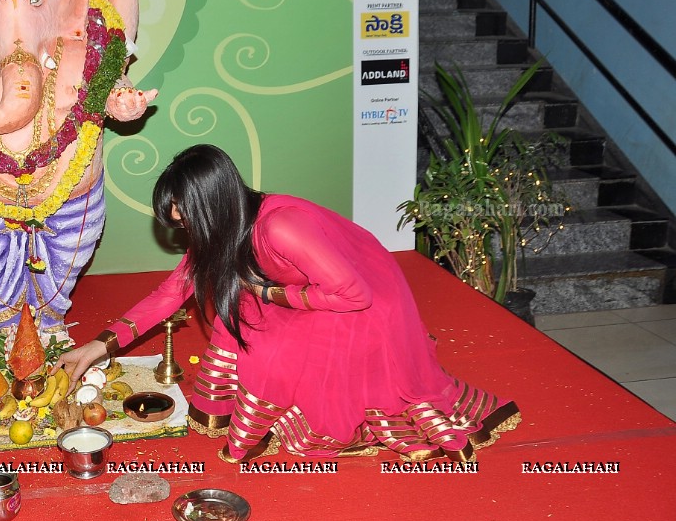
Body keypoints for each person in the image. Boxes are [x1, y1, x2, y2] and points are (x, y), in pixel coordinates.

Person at [57, 144, 521, 463]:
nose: (182, 231)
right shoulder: (223, 227)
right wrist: (100, 345)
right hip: (313, 292)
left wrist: (271, 293)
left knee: (271, 346)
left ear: (209, 206)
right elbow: (170, 292)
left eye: (184, 220)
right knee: (232, 317)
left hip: (364, 303)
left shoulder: (281, 226)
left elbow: (354, 293)